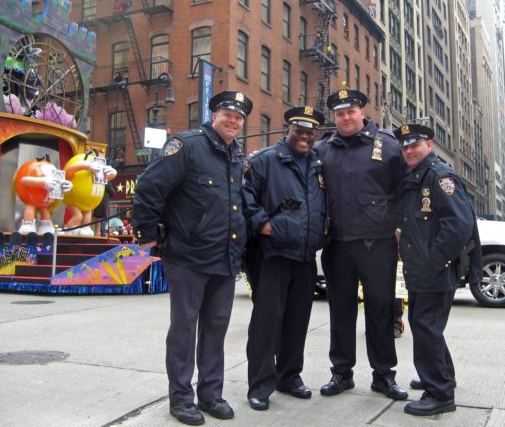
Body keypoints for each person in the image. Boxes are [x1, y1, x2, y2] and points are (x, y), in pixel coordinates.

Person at [132, 91, 252, 426]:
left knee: (216, 330)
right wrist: (148, 237)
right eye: (227, 113)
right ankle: (182, 398)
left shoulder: (236, 156)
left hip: (225, 257)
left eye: (239, 117)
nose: (233, 120)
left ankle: (211, 393)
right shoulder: (186, 146)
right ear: (214, 115)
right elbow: (148, 189)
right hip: (187, 255)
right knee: (184, 330)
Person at [313, 89, 407, 401]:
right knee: (341, 311)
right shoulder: (323, 149)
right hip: (337, 245)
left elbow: (405, 188)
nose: (346, 117)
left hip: (377, 245)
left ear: (362, 111)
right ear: (334, 117)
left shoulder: (389, 145)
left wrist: (399, 228)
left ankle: (383, 375)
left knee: (380, 312)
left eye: (351, 111)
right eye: (340, 114)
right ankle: (341, 373)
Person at [392, 122, 482, 416]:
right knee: (427, 326)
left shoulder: (440, 176)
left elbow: (459, 225)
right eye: (404, 146)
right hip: (421, 268)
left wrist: (433, 261)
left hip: (435, 269)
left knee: (425, 327)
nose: (409, 150)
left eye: (414, 145)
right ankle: (444, 376)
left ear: (429, 145)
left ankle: (440, 394)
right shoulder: (416, 175)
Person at [242, 106, 326, 411]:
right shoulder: (264, 161)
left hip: (304, 255)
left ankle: (289, 376)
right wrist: (263, 223)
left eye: (309, 132)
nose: (304, 137)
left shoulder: (318, 166)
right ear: (287, 129)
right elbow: (244, 195)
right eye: (299, 130)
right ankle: (261, 385)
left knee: (296, 321)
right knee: (267, 323)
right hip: (272, 253)